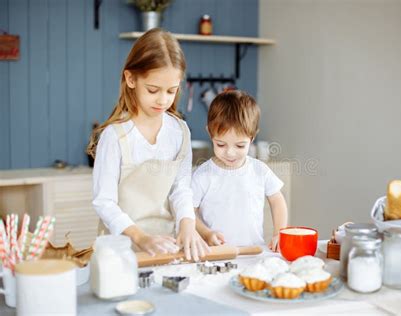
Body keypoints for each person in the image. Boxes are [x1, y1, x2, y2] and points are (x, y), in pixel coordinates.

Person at [87, 28, 209, 261]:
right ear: (131, 79)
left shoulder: (179, 131)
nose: (163, 99)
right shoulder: (116, 137)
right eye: (153, 90)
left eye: (171, 91)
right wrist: (140, 238)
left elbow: (181, 188)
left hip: (167, 246)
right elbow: (104, 202)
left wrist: (187, 225)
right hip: (121, 249)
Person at [191, 90, 288, 251]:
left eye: (240, 145)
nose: (230, 153)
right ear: (210, 132)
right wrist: (206, 233)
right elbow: (189, 211)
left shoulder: (259, 170)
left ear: (252, 137)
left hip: (253, 251)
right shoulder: (202, 175)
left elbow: (277, 201)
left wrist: (280, 233)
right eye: (221, 144)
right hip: (217, 253)